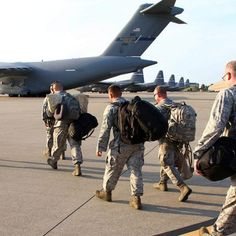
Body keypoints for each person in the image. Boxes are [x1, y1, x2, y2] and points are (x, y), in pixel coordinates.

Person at [194, 61, 236, 236]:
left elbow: (216, 125)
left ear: (227, 75)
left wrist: (199, 152)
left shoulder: (228, 94)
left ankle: (217, 233)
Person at [95, 84, 145, 210]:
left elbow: (105, 129)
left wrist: (101, 147)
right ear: (121, 93)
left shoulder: (111, 108)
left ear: (110, 95)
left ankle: (107, 192)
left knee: (112, 169)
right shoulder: (132, 106)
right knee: (136, 171)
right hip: (137, 144)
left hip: (120, 145)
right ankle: (136, 198)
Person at [153, 86, 192, 202]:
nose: (154, 97)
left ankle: (182, 187)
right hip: (178, 139)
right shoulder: (175, 105)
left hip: (166, 140)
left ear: (159, 94)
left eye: (154, 95)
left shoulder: (159, 107)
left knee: (166, 162)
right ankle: (162, 182)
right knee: (168, 159)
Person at [45, 81, 83, 176]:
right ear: (62, 88)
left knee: (58, 145)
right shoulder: (72, 97)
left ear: (53, 89)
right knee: (75, 145)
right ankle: (77, 165)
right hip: (74, 124)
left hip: (60, 124)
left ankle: (54, 161)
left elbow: (50, 113)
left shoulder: (54, 97)